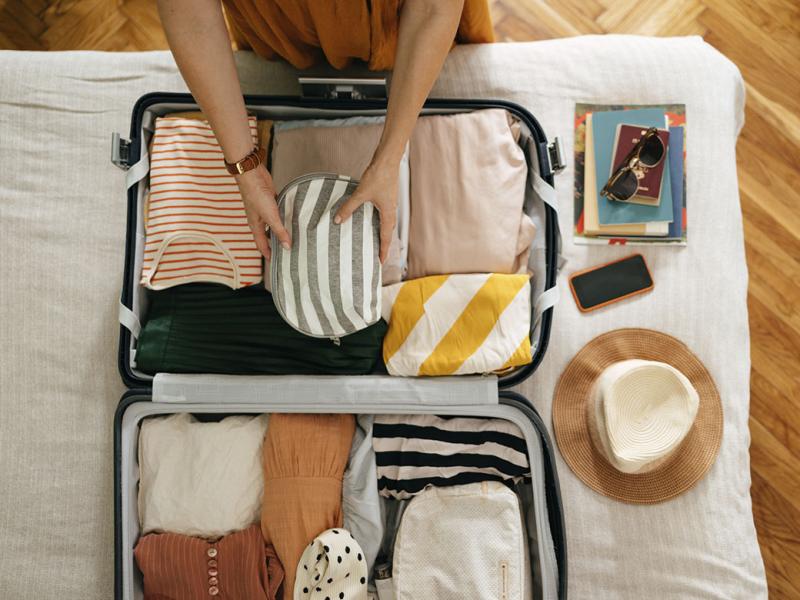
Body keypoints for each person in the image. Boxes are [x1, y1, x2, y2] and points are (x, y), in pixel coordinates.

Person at [156, 0, 493, 261]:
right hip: (282, 27)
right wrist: (244, 167)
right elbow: (190, 14)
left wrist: (391, 157)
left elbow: (434, 7)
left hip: (407, 24)